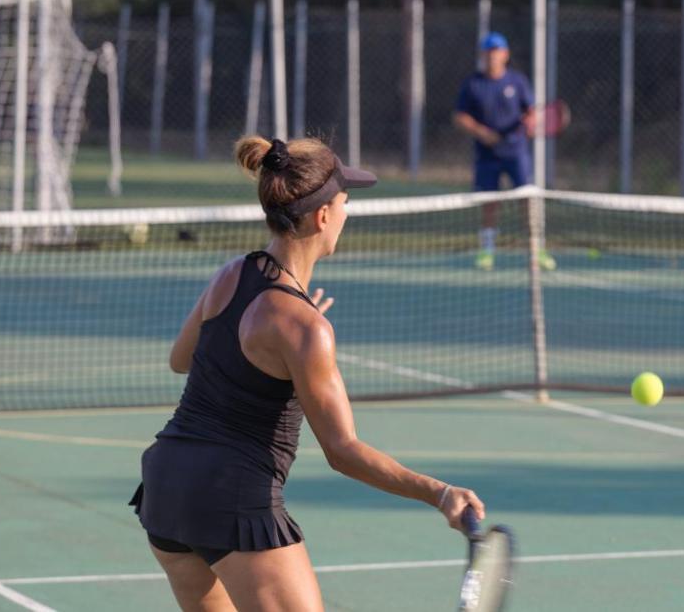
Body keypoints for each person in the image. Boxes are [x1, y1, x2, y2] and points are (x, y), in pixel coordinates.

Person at [130, 136, 483, 612]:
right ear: (321, 217)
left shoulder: (233, 274)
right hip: (230, 499)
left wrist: (280, 342)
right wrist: (440, 494)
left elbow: (181, 358)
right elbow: (343, 452)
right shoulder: (304, 329)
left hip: (166, 487)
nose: (345, 213)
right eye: (344, 203)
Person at [453, 32, 555, 271]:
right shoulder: (473, 84)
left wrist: (531, 122)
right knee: (489, 203)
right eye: (488, 52)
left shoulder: (517, 82)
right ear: (482, 55)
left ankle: (536, 249)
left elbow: (532, 111)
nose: (492, 56)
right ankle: (487, 251)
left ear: (505, 55)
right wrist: (481, 132)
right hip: (486, 156)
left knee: (527, 201)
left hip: (516, 154)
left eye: (497, 51)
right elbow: (459, 116)